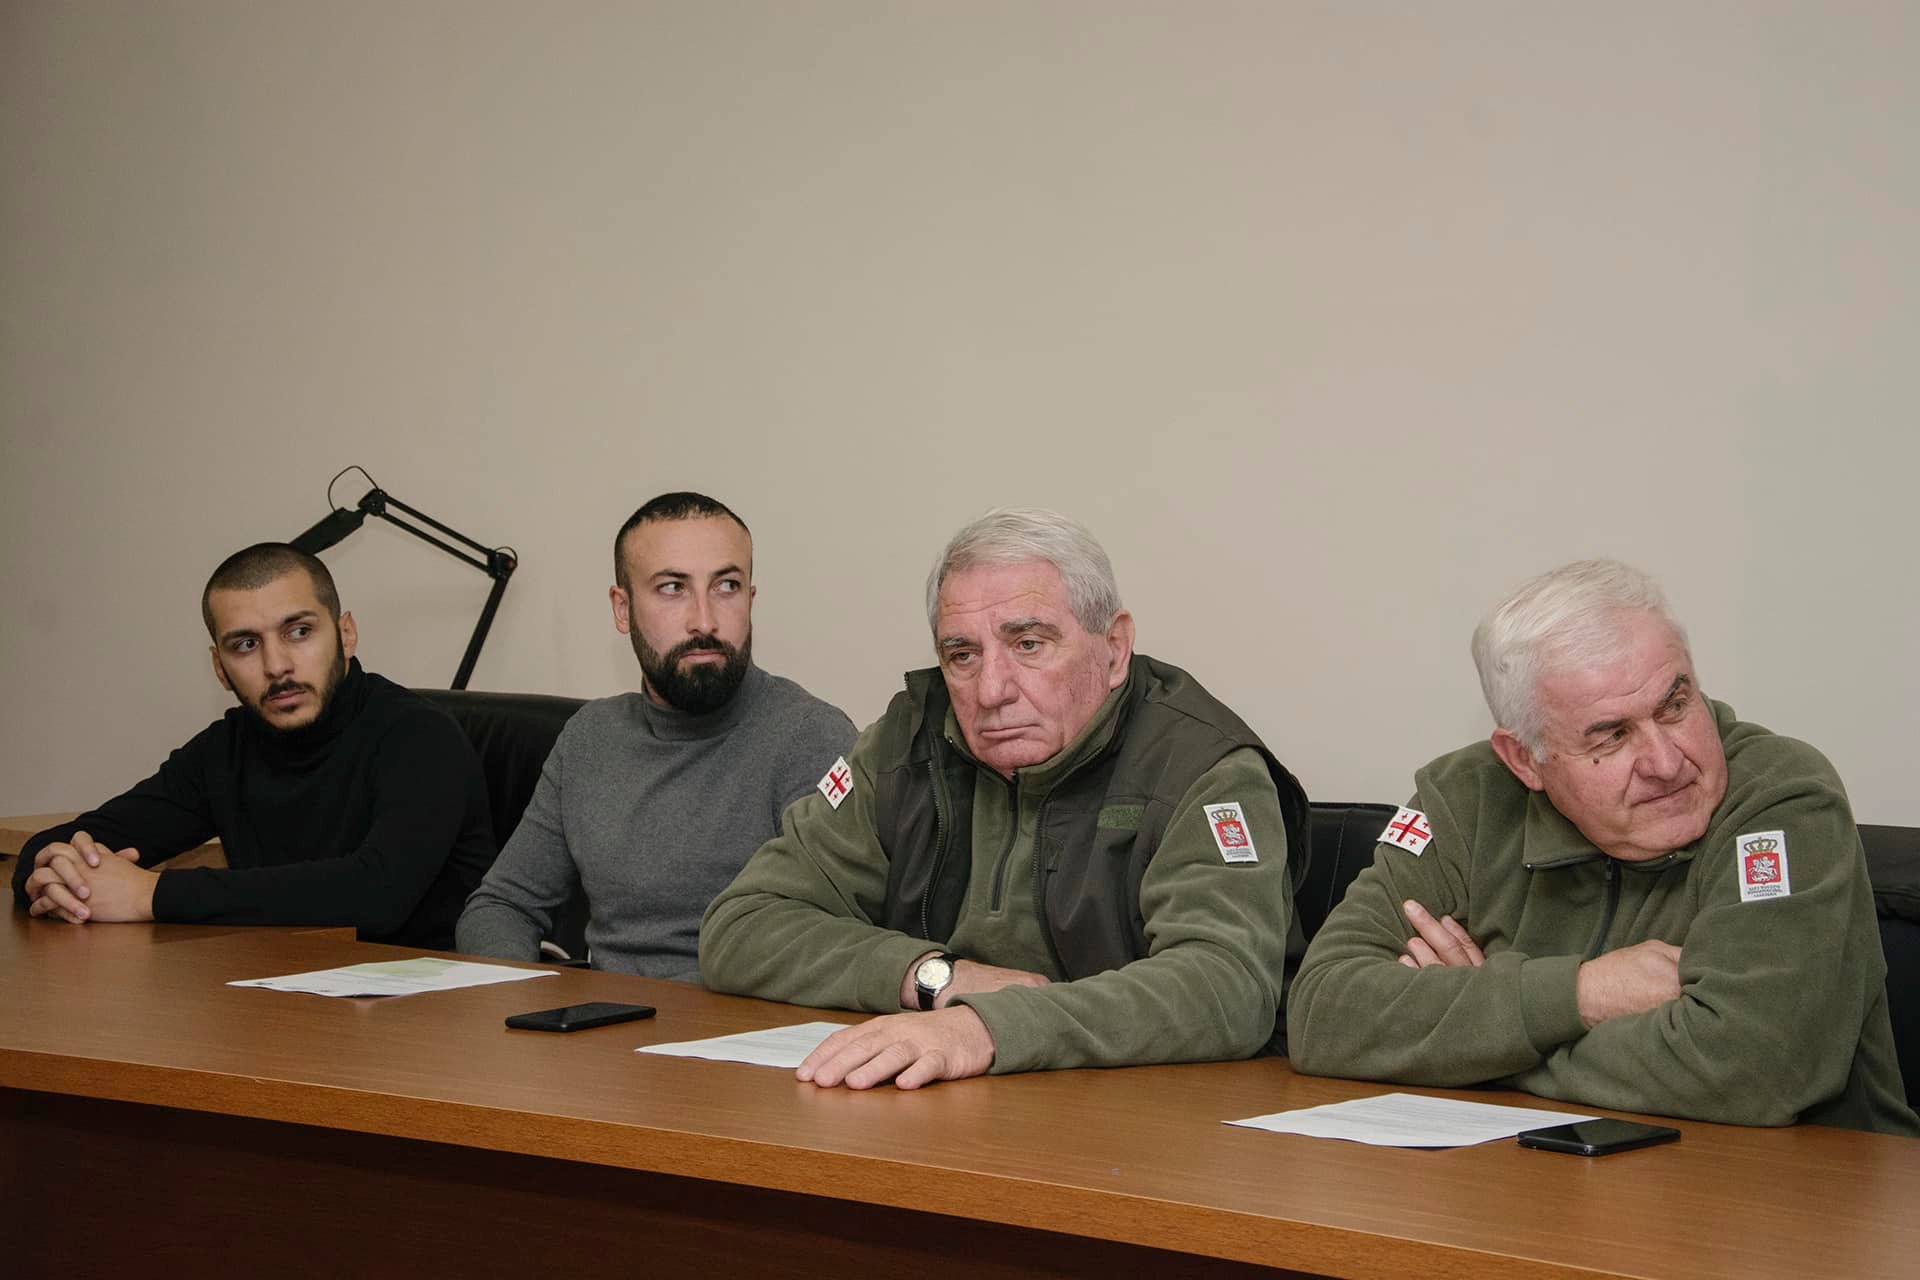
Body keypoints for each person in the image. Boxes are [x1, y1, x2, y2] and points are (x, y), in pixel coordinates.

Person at [1287, 559, 1918, 1135]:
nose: (1666, 762)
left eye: (1675, 706)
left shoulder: (1783, 798)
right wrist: (1582, 994)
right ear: (1524, 759)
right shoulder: (1464, 798)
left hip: (1794, 1199)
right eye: (1611, 736)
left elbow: (1753, 1067)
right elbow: (1320, 1016)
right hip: (1529, 1191)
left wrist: (1473, 1040)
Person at [700, 507, 1309, 1089]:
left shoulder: (1202, 768)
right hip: (948, 1104)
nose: (991, 690)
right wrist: (935, 977)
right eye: (962, 655)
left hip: (1152, 1122)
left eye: (1029, 644)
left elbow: (1227, 987)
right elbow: (743, 927)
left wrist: (987, 1028)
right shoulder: (904, 745)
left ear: (1115, 648)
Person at [13, 543, 493, 950]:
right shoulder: (225, 749)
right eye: (245, 645)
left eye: (299, 632)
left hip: (430, 1004)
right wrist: (59, 875)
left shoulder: (420, 736)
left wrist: (149, 895)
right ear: (219, 668)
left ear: (346, 634)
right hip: (280, 991)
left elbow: (375, 896)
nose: (276, 665)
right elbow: (56, 845)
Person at [455, 493, 855, 978]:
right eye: (672, 588)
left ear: (750, 600)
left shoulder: (810, 738)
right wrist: (523, 999)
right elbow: (501, 905)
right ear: (622, 609)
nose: (704, 620)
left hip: (742, 1018)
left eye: (726, 586)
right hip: (602, 1016)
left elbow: (832, 940)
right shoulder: (589, 739)